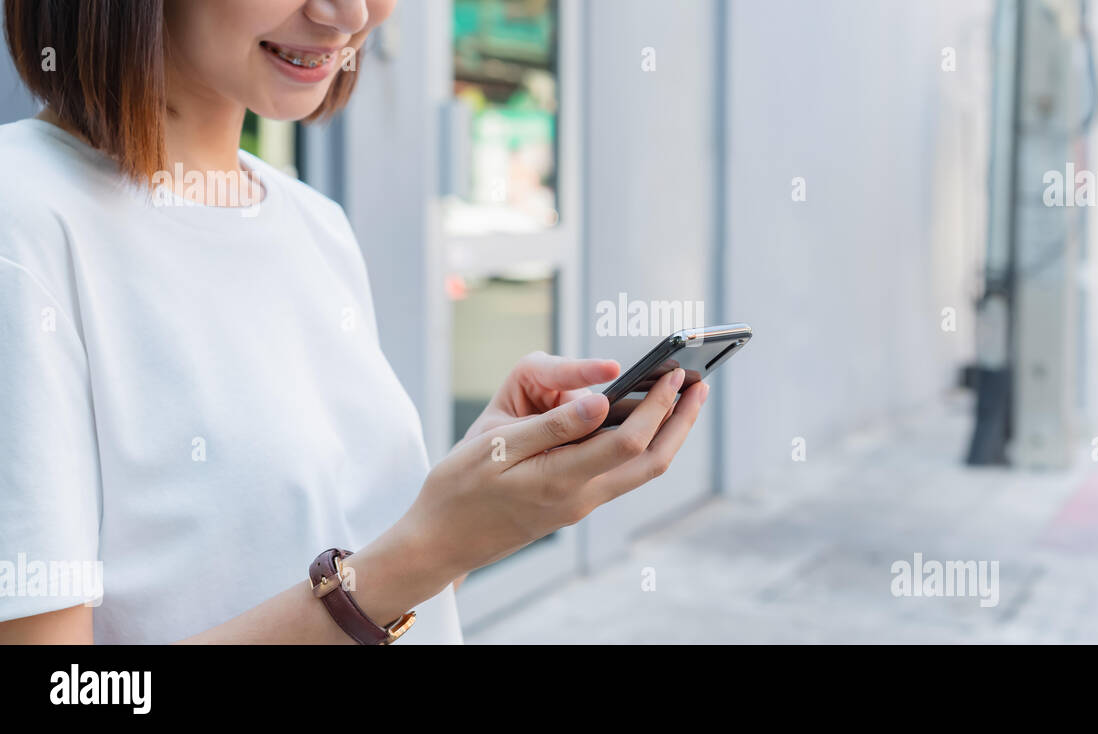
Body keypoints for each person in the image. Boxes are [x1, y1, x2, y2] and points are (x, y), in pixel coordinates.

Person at [0, 0, 707, 644]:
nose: (349, 15)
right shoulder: (25, 221)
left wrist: (480, 506)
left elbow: (384, 608)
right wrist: (428, 549)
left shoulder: (315, 223)